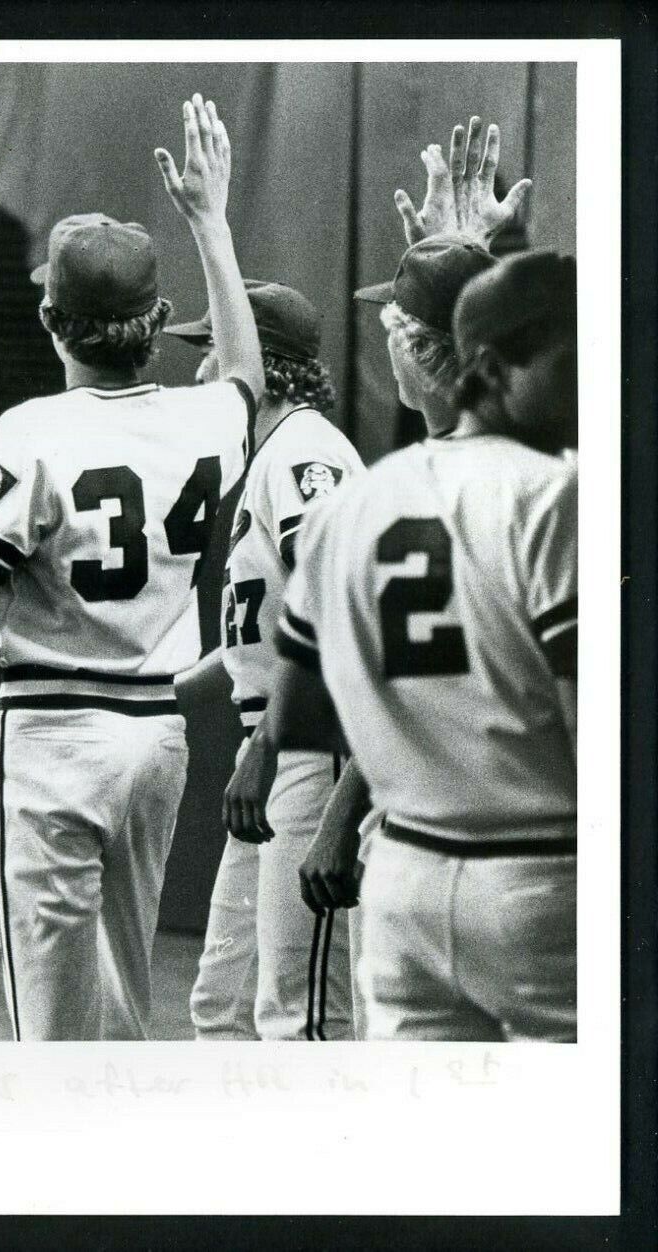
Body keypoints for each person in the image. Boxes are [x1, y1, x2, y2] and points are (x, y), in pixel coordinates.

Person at [0, 94, 262, 1041]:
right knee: (120, 989)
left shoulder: (32, 431)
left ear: (49, 317)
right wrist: (211, 221)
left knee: (53, 1015)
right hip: (157, 738)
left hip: (54, 737)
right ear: (154, 321)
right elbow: (246, 372)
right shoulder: (205, 419)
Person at [270, 247, 577, 1041]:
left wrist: (416, 726)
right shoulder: (553, 495)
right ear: (497, 366)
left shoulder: (355, 502)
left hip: (403, 869)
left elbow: (294, 719)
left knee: (424, 1148)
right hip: (543, 872)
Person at [297, 115, 532, 923]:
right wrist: (462, 255)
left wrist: (336, 816)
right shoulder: (541, 466)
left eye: (392, 323)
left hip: (431, 825)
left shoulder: (394, 493)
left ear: (413, 347)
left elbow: (387, 678)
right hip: (530, 830)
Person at [169, 280, 365, 1041]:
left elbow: (336, 609)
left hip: (312, 749)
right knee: (219, 1004)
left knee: (300, 1015)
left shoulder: (307, 453)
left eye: (212, 349)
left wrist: (268, 745)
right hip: (278, 744)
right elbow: (268, 626)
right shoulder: (277, 453)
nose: (203, 373)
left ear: (265, 361)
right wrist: (168, 688)